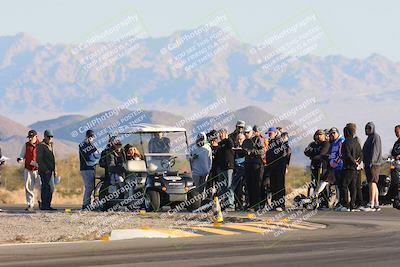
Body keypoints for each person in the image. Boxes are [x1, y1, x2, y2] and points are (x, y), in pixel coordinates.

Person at [305, 129, 331, 208]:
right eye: (317, 134)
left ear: (324, 136)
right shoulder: (313, 144)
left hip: (323, 167)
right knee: (314, 184)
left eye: (321, 134)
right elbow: (306, 151)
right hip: (314, 166)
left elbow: (322, 154)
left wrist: (313, 155)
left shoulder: (326, 143)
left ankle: (324, 203)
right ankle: (315, 202)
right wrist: (314, 155)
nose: (319, 136)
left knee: (322, 184)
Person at [340, 125, 363, 211]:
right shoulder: (356, 142)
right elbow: (361, 155)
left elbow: (347, 155)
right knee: (353, 186)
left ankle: (346, 205)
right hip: (355, 168)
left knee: (344, 186)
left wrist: (353, 161)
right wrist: (358, 163)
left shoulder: (345, 142)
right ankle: (352, 205)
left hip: (348, 167)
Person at [17, 130, 41, 211]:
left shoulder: (41, 145)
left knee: (40, 187)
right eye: (29, 137)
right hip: (28, 169)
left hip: (38, 170)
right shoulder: (26, 145)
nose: (30, 139)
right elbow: (21, 155)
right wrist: (20, 159)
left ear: (36, 136)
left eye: (32, 137)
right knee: (28, 188)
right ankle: (30, 205)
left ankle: (41, 202)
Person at [242, 126, 264, 211]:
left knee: (256, 184)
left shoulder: (257, 139)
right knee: (249, 184)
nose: (246, 134)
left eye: (247, 132)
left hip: (256, 164)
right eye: (245, 133)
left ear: (252, 132)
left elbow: (262, 151)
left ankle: (257, 204)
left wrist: (252, 152)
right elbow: (243, 152)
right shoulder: (245, 141)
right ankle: (251, 204)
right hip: (247, 164)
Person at [267, 127, 289, 211]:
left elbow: (284, 153)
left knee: (279, 185)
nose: (269, 135)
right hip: (272, 167)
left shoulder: (280, 141)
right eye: (269, 134)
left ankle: (281, 204)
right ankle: (274, 203)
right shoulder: (271, 142)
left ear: (276, 133)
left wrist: (282, 164)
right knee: (273, 185)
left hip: (279, 167)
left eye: (270, 133)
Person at [362, 122, 383, 211]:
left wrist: (371, 162)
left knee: (372, 183)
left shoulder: (375, 137)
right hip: (368, 163)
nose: (367, 130)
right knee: (372, 183)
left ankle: (371, 203)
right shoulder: (369, 138)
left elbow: (375, 150)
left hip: (374, 164)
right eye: (366, 128)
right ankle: (376, 203)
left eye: (369, 128)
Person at [79, 130, 100, 210]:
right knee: (89, 187)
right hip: (86, 169)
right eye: (90, 137)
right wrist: (91, 144)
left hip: (92, 168)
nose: (91, 138)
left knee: (91, 187)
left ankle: (88, 204)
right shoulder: (83, 145)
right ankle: (85, 205)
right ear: (87, 137)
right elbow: (90, 156)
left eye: (92, 137)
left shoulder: (89, 145)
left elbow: (95, 155)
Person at [36, 130, 57, 211]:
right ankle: (45, 205)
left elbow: (53, 159)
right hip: (44, 171)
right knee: (46, 187)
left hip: (50, 170)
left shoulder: (51, 145)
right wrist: (45, 170)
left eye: (51, 137)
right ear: (45, 136)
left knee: (51, 188)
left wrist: (55, 169)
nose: (50, 138)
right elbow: (39, 160)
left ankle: (47, 205)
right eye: (48, 137)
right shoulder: (41, 145)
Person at [216, 128, 235, 210]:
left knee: (229, 185)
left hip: (228, 167)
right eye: (219, 134)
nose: (220, 135)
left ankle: (231, 203)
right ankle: (225, 203)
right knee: (223, 186)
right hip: (221, 167)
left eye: (222, 133)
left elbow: (231, 145)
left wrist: (227, 137)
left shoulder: (228, 142)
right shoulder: (220, 144)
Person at [190, 132, 212, 198]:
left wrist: (208, 169)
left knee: (203, 188)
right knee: (196, 188)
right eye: (199, 139)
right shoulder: (193, 147)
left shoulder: (207, 148)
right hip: (195, 172)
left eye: (202, 139)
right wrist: (192, 158)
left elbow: (210, 159)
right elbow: (188, 158)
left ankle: (202, 200)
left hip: (205, 171)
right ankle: (196, 201)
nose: (200, 140)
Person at [328, 127, 345, 210]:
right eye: (331, 134)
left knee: (341, 186)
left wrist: (335, 162)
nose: (332, 135)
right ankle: (339, 201)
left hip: (340, 166)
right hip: (335, 167)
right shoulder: (334, 142)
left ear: (337, 133)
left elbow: (341, 154)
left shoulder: (341, 140)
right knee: (338, 186)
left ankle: (342, 202)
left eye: (334, 133)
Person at [232, 133, 247, 210]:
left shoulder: (246, 148)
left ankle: (242, 204)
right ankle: (237, 204)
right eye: (238, 139)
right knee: (236, 188)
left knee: (242, 188)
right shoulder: (234, 148)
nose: (239, 140)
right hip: (236, 171)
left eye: (241, 139)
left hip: (244, 171)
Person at [391, 125, 400, 207]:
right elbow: (393, 153)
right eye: (395, 132)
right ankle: (396, 198)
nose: (396, 134)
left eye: (397, 132)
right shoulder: (396, 143)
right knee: (396, 183)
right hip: (395, 166)